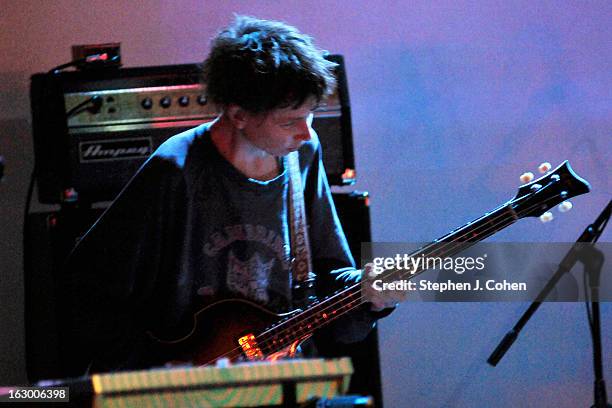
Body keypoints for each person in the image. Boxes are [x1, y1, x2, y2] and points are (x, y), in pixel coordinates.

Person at [65, 15, 394, 374]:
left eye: (310, 116)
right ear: (238, 114)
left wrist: (369, 292)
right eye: (288, 122)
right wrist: (155, 365)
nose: (304, 133)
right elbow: (91, 285)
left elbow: (329, 272)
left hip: (279, 372)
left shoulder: (303, 153)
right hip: (189, 385)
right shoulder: (176, 169)